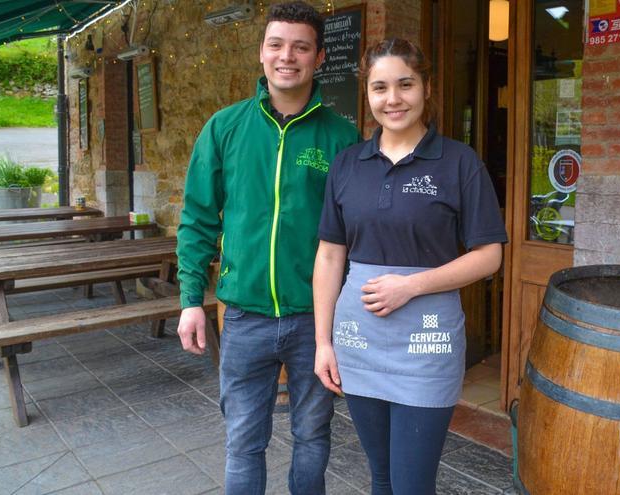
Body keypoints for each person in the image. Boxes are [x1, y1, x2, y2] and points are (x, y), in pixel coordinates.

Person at [175, 2, 360, 493]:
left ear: (319, 57)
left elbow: (356, 234)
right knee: (243, 441)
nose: (287, 56)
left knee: (313, 436)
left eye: (301, 47)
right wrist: (192, 300)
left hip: (315, 320)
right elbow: (196, 219)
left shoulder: (343, 138)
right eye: (276, 44)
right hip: (243, 317)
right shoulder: (225, 128)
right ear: (261, 52)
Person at [313, 38, 508, 494]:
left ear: (425, 88)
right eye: (380, 88)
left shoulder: (460, 163)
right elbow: (328, 256)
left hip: (427, 342)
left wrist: (411, 286)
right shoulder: (347, 165)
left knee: (412, 484)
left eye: (405, 84)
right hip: (357, 340)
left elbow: (489, 256)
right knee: (381, 477)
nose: (393, 99)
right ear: (367, 94)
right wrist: (323, 342)